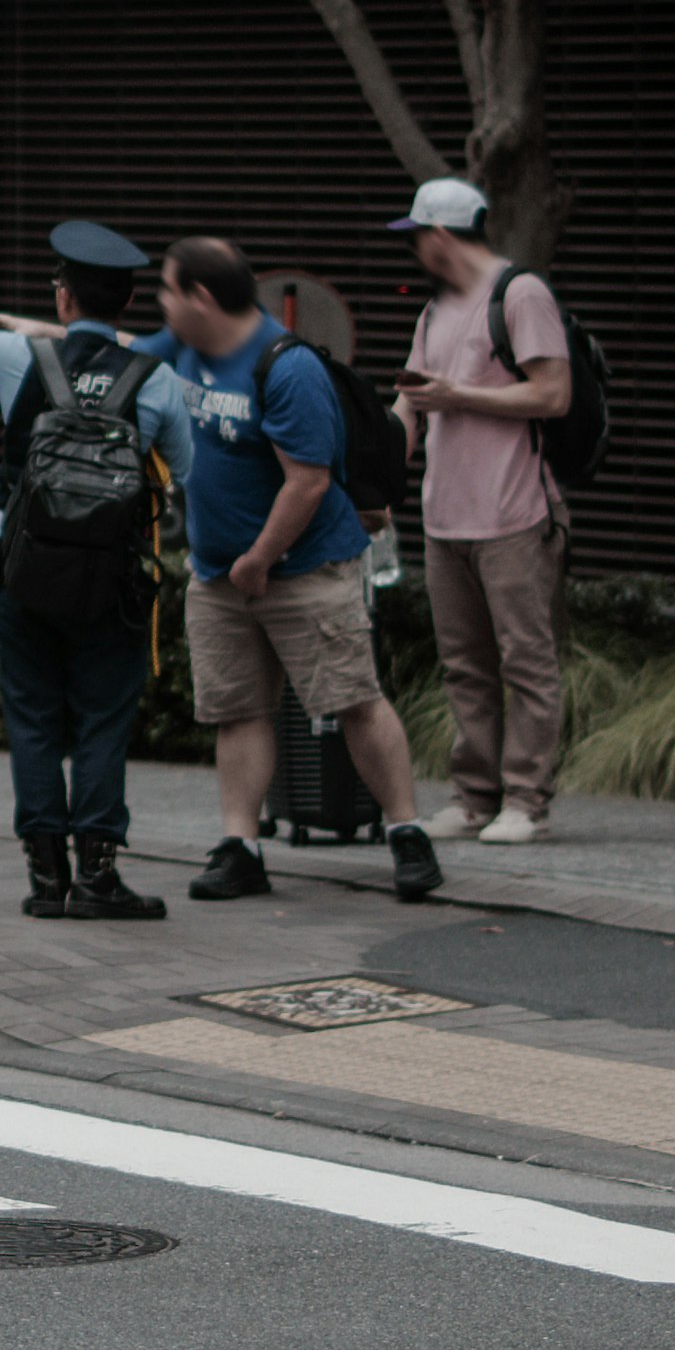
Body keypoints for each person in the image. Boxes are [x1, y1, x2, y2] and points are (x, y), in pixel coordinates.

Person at [0, 219, 197, 918]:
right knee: (103, 720)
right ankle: (98, 877)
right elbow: (183, 474)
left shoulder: (20, 358)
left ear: (64, 298)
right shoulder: (155, 381)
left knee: (34, 720)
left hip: (25, 574)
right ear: (127, 305)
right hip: (111, 582)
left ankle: (45, 881)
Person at [143, 237, 439, 903]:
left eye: (167, 289)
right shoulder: (184, 346)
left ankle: (407, 835)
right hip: (220, 574)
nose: (160, 304)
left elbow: (307, 483)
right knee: (238, 710)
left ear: (201, 297)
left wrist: (258, 560)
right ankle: (240, 848)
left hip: (302, 567)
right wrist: (31, 335)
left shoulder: (286, 366)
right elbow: (112, 355)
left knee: (354, 699)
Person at [387, 178, 573, 844]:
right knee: (464, 665)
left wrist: (458, 394)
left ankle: (525, 800)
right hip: (445, 516)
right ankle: (474, 798)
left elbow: (554, 395)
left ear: (441, 236)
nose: (413, 251)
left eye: (415, 237)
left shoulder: (520, 295)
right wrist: (379, 478)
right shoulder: (437, 308)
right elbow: (412, 398)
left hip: (514, 512)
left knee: (525, 660)